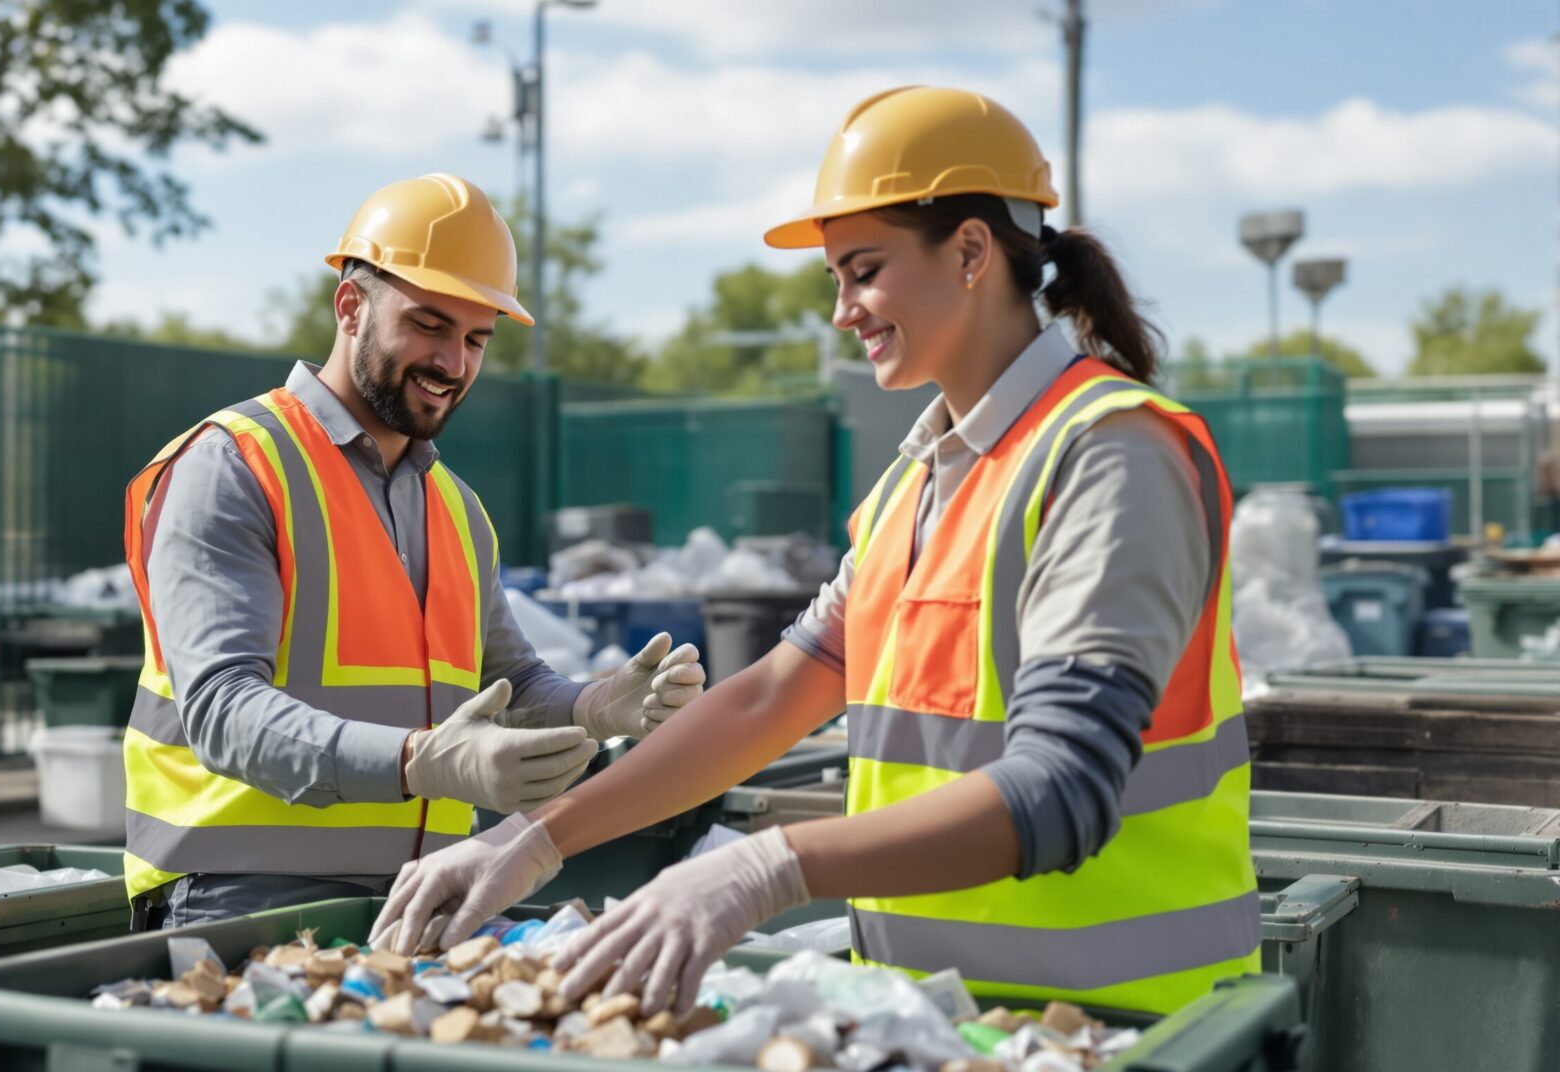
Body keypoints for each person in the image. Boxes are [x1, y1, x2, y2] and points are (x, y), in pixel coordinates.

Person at [371, 88, 1259, 1018]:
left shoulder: (1109, 455)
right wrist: (533, 839)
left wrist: (773, 865)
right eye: (836, 277)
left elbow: (1062, 790)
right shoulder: (915, 486)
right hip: (950, 1026)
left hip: (1127, 1030)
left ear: (970, 252)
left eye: (863, 271)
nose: (842, 311)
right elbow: (769, 697)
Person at [121, 173, 706, 929]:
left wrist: (596, 706)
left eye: (476, 340)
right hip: (240, 900)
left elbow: (509, 683)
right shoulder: (234, 465)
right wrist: (419, 762)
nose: (453, 363)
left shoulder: (456, 507)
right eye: (429, 326)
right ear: (350, 307)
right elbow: (223, 710)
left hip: (425, 899)